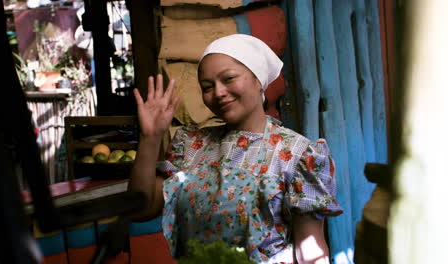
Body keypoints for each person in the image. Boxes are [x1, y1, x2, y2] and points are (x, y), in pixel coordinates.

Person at [128, 34, 343, 264]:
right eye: (207, 87)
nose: (218, 93)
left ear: (258, 80)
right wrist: (150, 138)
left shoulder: (298, 155)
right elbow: (141, 209)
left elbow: (309, 251)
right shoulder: (191, 146)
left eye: (228, 78)